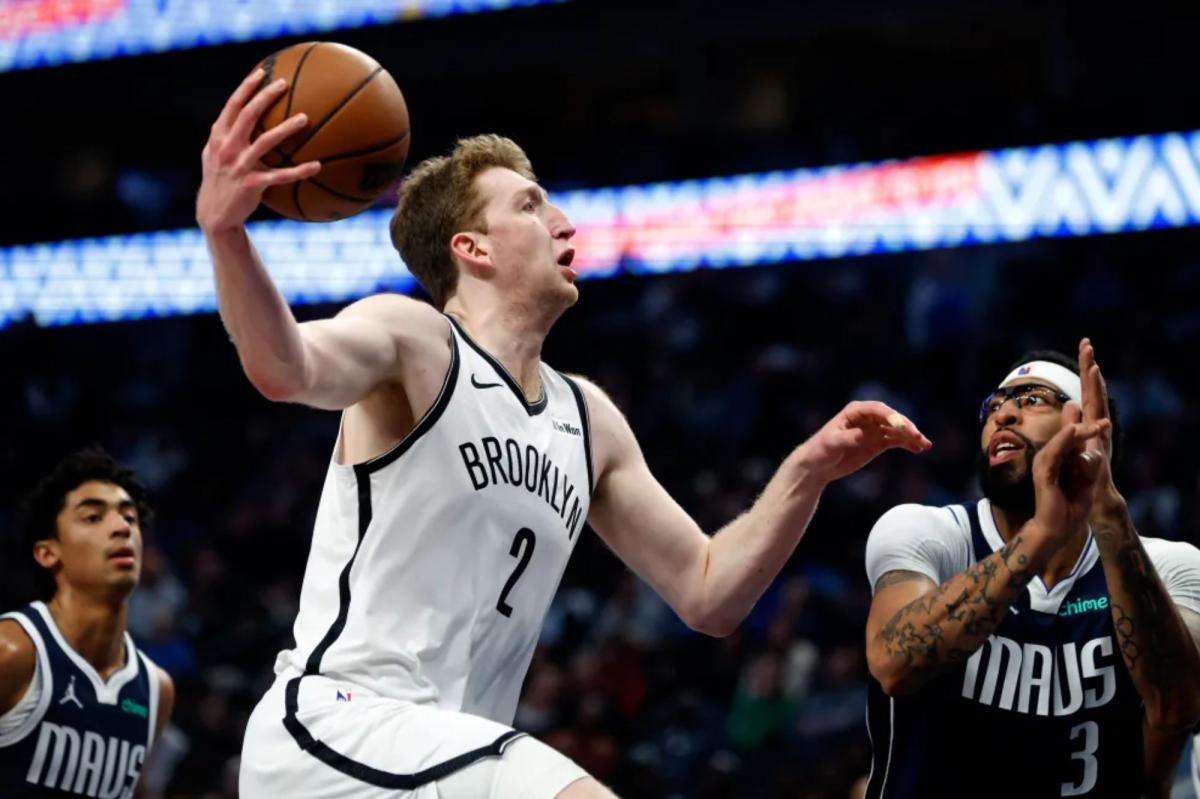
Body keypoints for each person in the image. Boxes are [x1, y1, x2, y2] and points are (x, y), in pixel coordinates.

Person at [196, 70, 933, 798]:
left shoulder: (587, 419)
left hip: (444, 760)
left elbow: (709, 592)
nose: (564, 222)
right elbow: (284, 367)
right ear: (473, 249)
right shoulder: (416, 340)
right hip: (340, 726)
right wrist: (226, 233)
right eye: (529, 205)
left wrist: (808, 470)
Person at [862, 340, 1200, 798]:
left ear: (1085, 427)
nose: (1002, 414)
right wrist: (1041, 534)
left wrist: (1107, 514)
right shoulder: (928, 532)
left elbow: (1177, 710)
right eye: (994, 405)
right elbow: (893, 666)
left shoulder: (1169, 567)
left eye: (1033, 399)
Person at [0, 448, 175, 796]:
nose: (121, 527)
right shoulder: (13, 650)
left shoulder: (157, 689)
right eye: (93, 517)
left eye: (130, 517)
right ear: (48, 552)